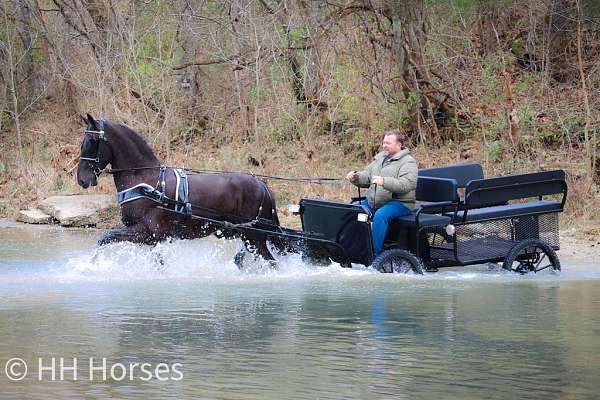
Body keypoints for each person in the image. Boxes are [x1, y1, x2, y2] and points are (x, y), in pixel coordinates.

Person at [346, 129, 418, 257]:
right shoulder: (379, 159)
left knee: (380, 216)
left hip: (400, 203)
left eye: (388, 143)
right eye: (384, 142)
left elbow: (407, 184)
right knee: (353, 211)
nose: (384, 145)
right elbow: (367, 176)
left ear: (399, 145)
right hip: (376, 201)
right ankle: (351, 248)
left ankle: (374, 254)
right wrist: (356, 177)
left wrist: (384, 181)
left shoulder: (408, 162)